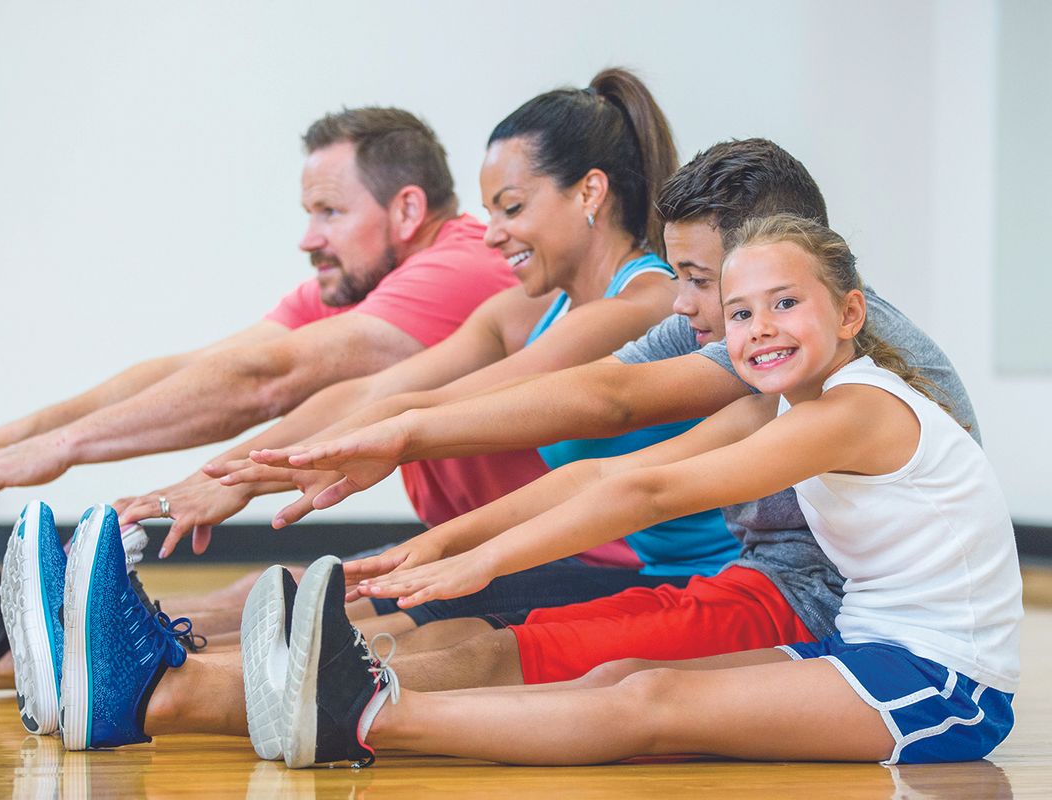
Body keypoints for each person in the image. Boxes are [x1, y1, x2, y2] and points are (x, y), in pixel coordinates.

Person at [262, 214, 1021, 767]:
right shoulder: (781, 406)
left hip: (946, 683)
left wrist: (484, 565)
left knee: (648, 704)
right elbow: (603, 474)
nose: (761, 328)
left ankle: (363, 715)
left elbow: (654, 492)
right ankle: (371, 699)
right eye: (741, 313)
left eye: (787, 303)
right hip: (865, 646)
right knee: (621, 677)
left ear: (851, 312)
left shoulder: (858, 408)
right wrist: (436, 545)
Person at [220, 139, 981, 688]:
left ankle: (209, 686)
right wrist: (410, 472)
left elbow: (611, 419)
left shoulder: (791, 349)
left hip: (806, 610)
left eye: (513, 207)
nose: (685, 303)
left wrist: (445, 506)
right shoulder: (750, 342)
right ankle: (191, 669)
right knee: (438, 624)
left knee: (491, 651)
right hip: (755, 586)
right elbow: (604, 456)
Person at [0, 106, 518, 697]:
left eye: (329, 212)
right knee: (266, 589)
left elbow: (271, 379)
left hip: (553, 559)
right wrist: (2, 445)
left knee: (298, 605)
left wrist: (66, 454)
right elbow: (205, 369)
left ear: (406, 210)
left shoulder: (462, 270)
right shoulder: (366, 282)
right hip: (477, 546)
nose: (308, 238)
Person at [112, 69, 736, 642]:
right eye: (490, 211)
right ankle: (92, 652)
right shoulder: (532, 309)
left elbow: (440, 406)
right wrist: (219, 479)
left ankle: (144, 671)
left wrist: (262, 476)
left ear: (589, 193)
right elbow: (375, 394)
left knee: (360, 618)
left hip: (644, 573)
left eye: (512, 208)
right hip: (557, 550)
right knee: (290, 589)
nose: (492, 234)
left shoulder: (643, 306)